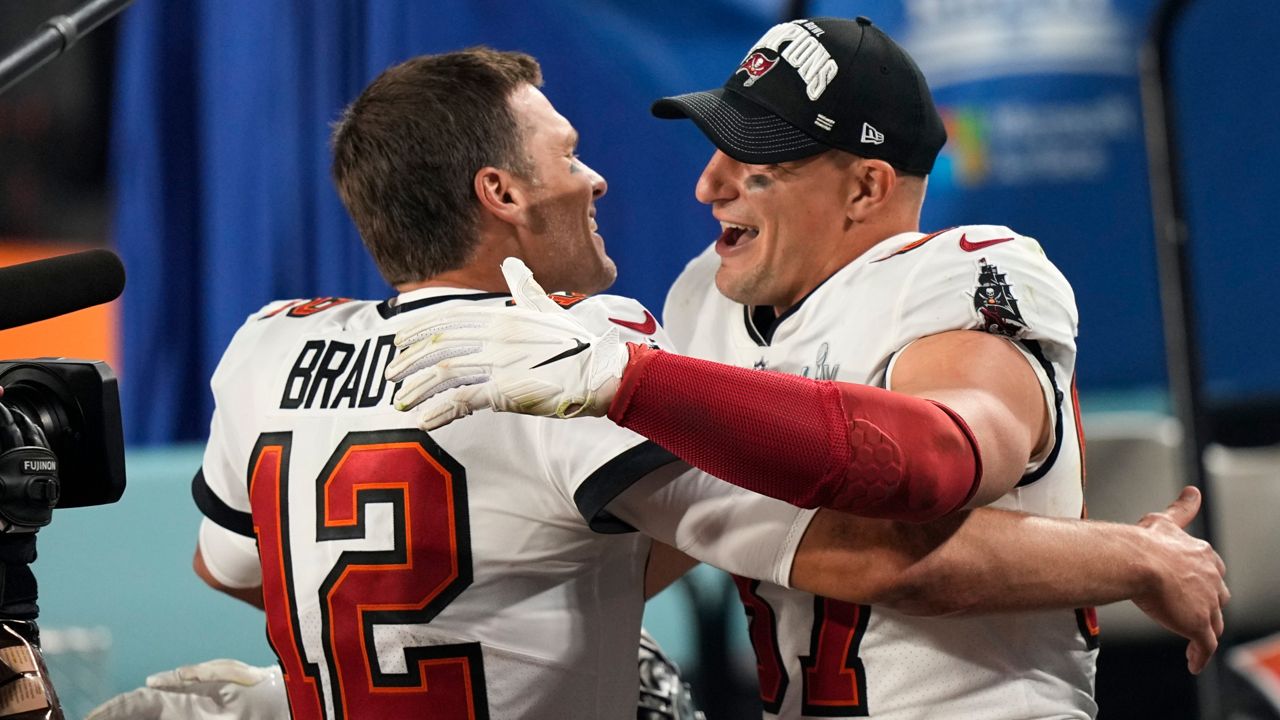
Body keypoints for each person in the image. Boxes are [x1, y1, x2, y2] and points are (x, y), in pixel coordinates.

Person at [191, 47, 1225, 720]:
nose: (705, 183)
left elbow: (930, 476)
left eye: (756, 161)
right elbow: (754, 535)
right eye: (715, 146)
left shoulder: (965, 269)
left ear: (866, 185)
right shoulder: (659, 318)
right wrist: (1124, 556)